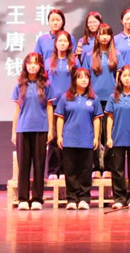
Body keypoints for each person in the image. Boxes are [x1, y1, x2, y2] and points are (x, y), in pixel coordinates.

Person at [11, 52, 55, 211]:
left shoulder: (46, 85)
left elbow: (49, 108)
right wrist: (14, 131)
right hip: (23, 128)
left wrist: (50, 129)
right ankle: (23, 198)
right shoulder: (19, 85)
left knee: (39, 164)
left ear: (40, 66)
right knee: (23, 165)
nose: (32, 66)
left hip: (41, 128)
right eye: (30, 63)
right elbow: (17, 109)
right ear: (25, 65)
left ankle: (37, 198)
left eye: (36, 63)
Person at [55, 67, 103, 210]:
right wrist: (59, 136)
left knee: (85, 170)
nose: (83, 80)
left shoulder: (94, 98)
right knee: (70, 170)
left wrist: (96, 137)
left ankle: (84, 198)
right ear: (74, 80)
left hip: (86, 139)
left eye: (86, 77)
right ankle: (72, 198)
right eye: (80, 77)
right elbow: (60, 118)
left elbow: (97, 119)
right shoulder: (66, 97)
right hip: (69, 139)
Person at [105, 65, 130, 209]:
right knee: (118, 170)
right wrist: (109, 137)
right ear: (120, 78)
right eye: (124, 75)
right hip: (118, 137)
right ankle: (119, 198)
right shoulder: (113, 97)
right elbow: (109, 118)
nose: (127, 78)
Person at [46, 31, 77, 180]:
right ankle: (53, 170)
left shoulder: (74, 62)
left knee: (67, 137)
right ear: (55, 44)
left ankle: (66, 170)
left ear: (70, 44)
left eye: (65, 41)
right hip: (52, 104)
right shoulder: (48, 62)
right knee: (53, 137)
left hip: (69, 104)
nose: (62, 43)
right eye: (60, 41)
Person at [90, 23, 119, 177]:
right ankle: (95, 167)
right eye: (101, 34)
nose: (104, 37)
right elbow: (85, 78)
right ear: (97, 36)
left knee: (108, 134)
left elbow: (119, 78)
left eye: (107, 34)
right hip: (94, 99)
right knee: (94, 134)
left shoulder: (116, 55)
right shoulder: (90, 56)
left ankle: (108, 167)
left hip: (110, 99)